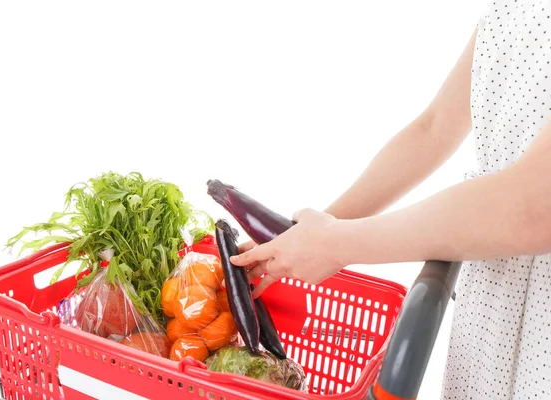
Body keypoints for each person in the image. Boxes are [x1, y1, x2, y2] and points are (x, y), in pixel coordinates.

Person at [230, 1, 551, 399]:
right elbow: (432, 130)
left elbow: (533, 207)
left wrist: (335, 243)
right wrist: (303, 236)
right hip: (494, 304)